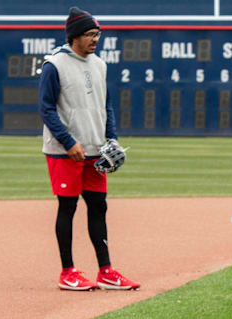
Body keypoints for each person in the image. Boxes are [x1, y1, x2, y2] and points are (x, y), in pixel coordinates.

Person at [39, 7, 139, 291]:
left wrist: (112, 138)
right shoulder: (54, 65)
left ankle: (106, 270)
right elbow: (46, 109)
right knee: (67, 207)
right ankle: (67, 272)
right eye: (90, 34)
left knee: (98, 206)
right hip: (64, 151)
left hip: (96, 150)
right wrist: (69, 142)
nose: (96, 40)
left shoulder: (99, 64)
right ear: (74, 36)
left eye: (98, 34)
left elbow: (105, 106)